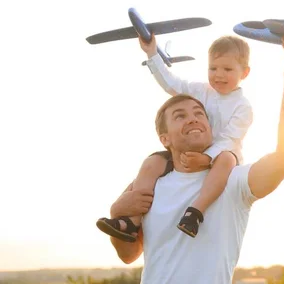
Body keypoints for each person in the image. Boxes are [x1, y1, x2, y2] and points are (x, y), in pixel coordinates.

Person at [107, 36, 284, 284]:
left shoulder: (232, 181)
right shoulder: (150, 182)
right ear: (165, 138)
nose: (193, 117)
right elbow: (127, 254)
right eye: (180, 115)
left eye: (199, 113)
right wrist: (116, 212)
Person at [96, 34, 253, 241]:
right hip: (189, 152)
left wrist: (207, 158)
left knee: (227, 157)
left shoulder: (243, 107)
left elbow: (229, 140)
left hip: (221, 160)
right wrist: (152, 53)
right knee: (153, 162)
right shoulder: (200, 90)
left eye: (227, 69)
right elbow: (171, 84)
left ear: (245, 72)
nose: (218, 75)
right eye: (213, 68)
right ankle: (132, 222)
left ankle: (195, 212)